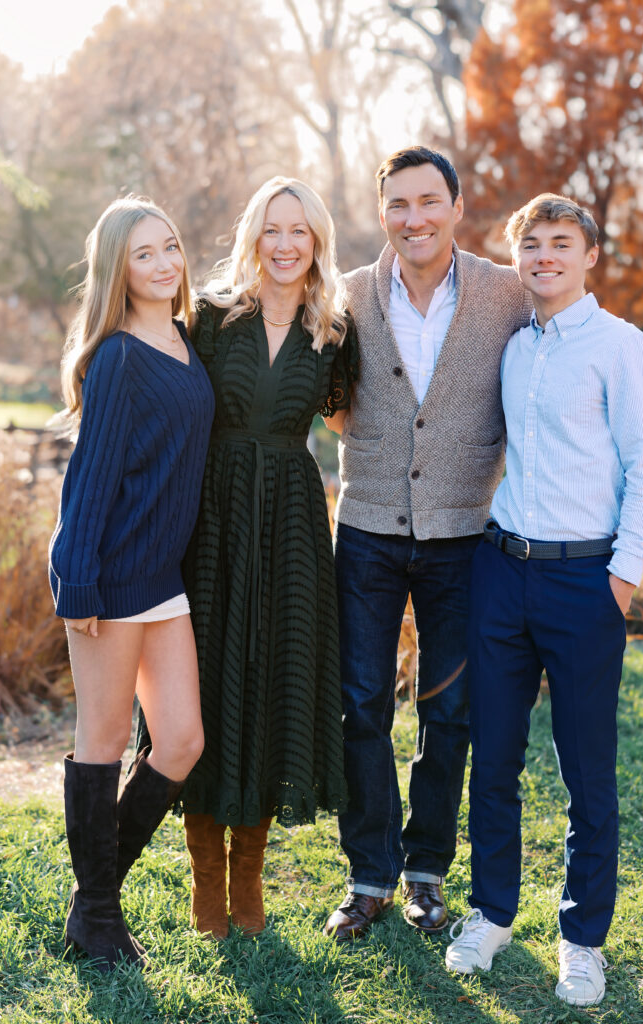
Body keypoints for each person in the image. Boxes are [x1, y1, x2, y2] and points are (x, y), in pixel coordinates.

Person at [444, 194, 643, 1007]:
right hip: (501, 572)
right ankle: (491, 914)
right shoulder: (514, 348)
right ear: (517, 258)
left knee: (586, 771)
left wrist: (619, 581)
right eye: (530, 244)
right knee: (493, 757)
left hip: (585, 582)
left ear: (588, 256)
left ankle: (581, 938)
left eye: (559, 243)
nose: (543, 256)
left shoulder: (624, 350)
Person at [323, 147, 533, 941]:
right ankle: (368, 873)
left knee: (449, 715)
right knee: (362, 707)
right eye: (398, 205)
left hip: (461, 540)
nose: (413, 219)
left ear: (454, 204)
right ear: (383, 212)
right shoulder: (344, 297)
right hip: (369, 534)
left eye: (427, 202)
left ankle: (424, 871)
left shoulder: (506, 293)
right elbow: (329, 404)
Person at [175, 177, 357, 940]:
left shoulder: (334, 330)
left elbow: (359, 422)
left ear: (317, 243)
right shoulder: (210, 319)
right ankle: (206, 882)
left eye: (301, 232)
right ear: (254, 233)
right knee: (209, 686)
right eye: (273, 229)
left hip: (289, 524)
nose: (286, 245)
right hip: (210, 521)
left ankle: (249, 879)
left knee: (273, 685)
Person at [49, 196, 215, 971]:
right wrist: (76, 581)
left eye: (170, 247)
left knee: (180, 741)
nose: (163, 263)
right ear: (118, 266)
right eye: (143, 253)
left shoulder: (182, 339)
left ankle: (92, 904)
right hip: (111, 578)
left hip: (162, 578)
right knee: (105, 743)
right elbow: (90, 476)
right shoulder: (117, 355)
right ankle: (100, 919)